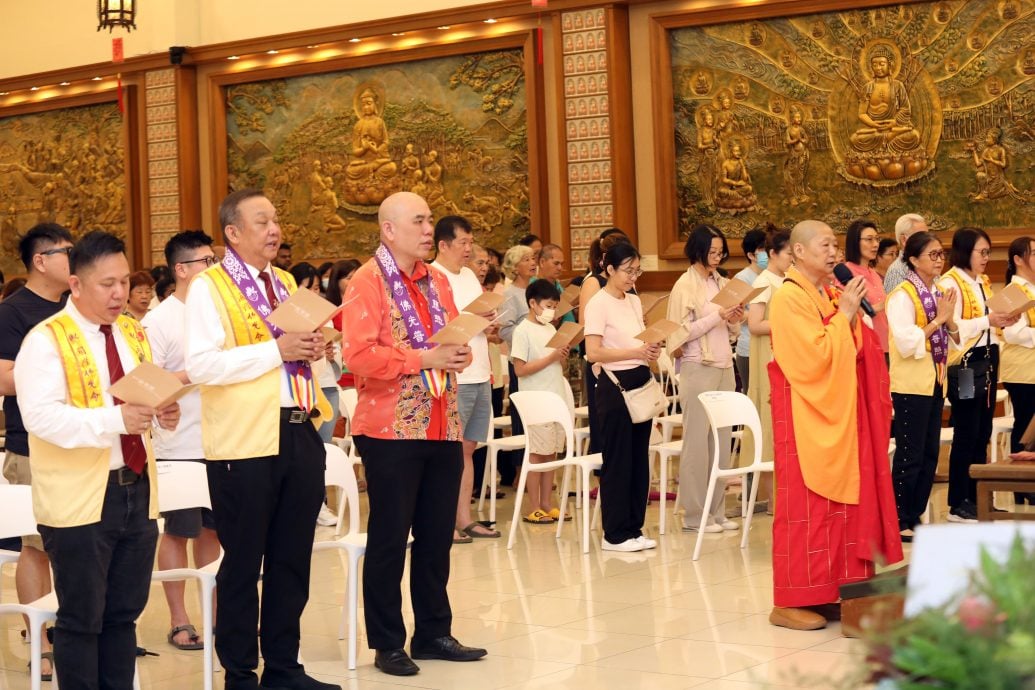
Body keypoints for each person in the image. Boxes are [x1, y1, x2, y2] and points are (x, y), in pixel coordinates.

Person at [185, 189, 337, 690]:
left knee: (293, 557)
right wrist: (277, 349)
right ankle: (240, 673)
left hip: (299, 428)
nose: (274, 229)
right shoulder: (209, 287)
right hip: (244, 443)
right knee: (244, 561)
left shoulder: (286, 282)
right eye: (262, 221)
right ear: (232, 233)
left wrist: (311, 346)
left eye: (276, 219)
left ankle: (284, 667)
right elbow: (202, 366)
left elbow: (291, 351)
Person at [16, 230, 181, 689]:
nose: (119, 294)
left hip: (136, 487)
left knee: (123, 616)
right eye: (107, 284)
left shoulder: (131, 331)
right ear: (76, 286)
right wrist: (116, 420)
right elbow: (41, 418)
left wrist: (162, 410)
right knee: (82, 618)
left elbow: (143, 397)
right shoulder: (46, 340)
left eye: (124, 282)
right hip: (80, 500)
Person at [340, 192, 486, 677]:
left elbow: (446, 339)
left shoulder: (437, 281)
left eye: (429, 220)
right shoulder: (366, 281)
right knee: (389, 536)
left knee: (434, 536)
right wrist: (421, 360)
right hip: (389, 429)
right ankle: (386, 641)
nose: (429, 229)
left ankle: (433, 632)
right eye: (419, 221)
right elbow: (358, 356)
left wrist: (457, 354)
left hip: (442, 421)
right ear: (389, 230)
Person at [767, 220, 902, 631]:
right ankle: (788, 601)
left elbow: (853, 346)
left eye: (833, 245)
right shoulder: (788, 298)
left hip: (839, 413)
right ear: (799, 252)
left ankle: (829, 593)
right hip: (805, 413)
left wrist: (849, 316)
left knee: (840, 512)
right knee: (804, 512)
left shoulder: (827, 292)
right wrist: (843, 316)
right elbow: (812, 359)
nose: (833, 252)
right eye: (824, 245)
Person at [141, 230, 222, 651]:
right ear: (182, 269)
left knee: (214, 533)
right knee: (178, 533)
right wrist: (201, 371)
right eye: (207, 261)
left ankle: (216, 615)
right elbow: (147, 381)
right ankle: (179, 619)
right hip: (178, 445)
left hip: (224, 440)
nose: (215, 267)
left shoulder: (220, 311)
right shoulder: (159, 320)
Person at [0, 222, 73, 680]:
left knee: (75, 545)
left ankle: (71, 629)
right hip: (32, 445)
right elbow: (4, 376)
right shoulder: (13, 312)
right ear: (41, 260)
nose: (75, 259)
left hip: (79, 442)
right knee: (36, 545)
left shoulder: (76, 307)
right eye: (68, 252)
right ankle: (39, 637)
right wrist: (56, 375)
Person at [937, 227, 1019, 522]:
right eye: (981, 252)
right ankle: (959, 501)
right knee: (967, 432)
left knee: (983, 431)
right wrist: (988, 319)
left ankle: (979, 497)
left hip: (988, 358)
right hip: (966, 365)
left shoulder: (981, 281)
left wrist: (1004, 319)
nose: (986, 258)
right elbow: (952, 328)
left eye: (988, 252)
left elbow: (989, 320)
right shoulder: (951, 283)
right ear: (964, 251)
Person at [667, 224, 743, 533]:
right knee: (698, 442)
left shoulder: (721, 281)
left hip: (724, 365)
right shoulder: (684, 285)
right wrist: (718, 316)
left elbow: (730, 329)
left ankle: (717, 510)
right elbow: (679, 332)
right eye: (712, 251)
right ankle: (695, 515)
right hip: (698, 366)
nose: (717, 256)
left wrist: (734, 319)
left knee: (722, 442)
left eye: (720, 251)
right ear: (697, 250)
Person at [584, 242, 659, 552]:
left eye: (636, 270)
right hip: (615, 388)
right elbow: (593, 352)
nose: (632, 277)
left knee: (639, 459)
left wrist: (651, 348)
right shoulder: (598, 303)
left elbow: (639, 338)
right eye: (628, 270)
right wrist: (635, 351)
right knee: (618, 461)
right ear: (609, 269)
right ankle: (614, 533)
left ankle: (634, 527)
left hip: (640, 382)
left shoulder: (633, 301)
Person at [430, 216, 501, 542]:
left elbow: (475, 320)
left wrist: (489, 327)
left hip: (479, 373)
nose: (469, 250)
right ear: (443, 245)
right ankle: (442, 521)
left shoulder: (471, 275)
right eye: (463, 243)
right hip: (452, 376)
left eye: (471, 243)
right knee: (449, 452)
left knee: (469, 449)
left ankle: (464, 518)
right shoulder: (431, 277)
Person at [886, 231, 959, 542]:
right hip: (910, 384)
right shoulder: (903, 294)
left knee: (930, 453)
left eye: (940, 253)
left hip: (935, 379)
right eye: (932, 254)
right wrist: (938, 320)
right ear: (913, 260)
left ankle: (915, 513)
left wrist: (949, 321)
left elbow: (953, 339)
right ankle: (899, 517)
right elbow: (905, 342)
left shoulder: (940, 291)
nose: (939, 259)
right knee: (910, 452)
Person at [511, 279, 573, 523]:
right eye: (548, 305)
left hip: (554, 398)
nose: (552, 311)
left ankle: (548, 503)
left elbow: (559, 365)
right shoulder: (522, 330)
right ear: (533, 303)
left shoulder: (550, 329)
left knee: (552, 453)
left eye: (555, 306)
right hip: (535, 402)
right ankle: (533, 505)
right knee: (537, 454)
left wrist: (562, 355)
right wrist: (552, 357)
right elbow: (520, 369)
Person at [743, 229, 794, 514]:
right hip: (769, 360)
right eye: (788, 254)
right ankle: (774, 499)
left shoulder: (788, 280)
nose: (791, 259)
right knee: (772, 423)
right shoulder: (764, 282)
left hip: (788, 357)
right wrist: (789, 323)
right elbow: (754, 324)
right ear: (772, 254)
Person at [578, 229, 631, 455]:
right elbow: (586, 323)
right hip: (604, 365)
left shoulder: (627, 286)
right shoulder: (594, 282)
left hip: (628, 364)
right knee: (606, 431)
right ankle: (604, 485)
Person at [499, 244, 538, 482]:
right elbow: (505, 330)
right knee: (522, 417)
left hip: (542, 361)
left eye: (533, 258)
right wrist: (529, 334)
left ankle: (540, 465)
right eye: (526, 259)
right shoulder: (509, 294)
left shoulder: (536, 290)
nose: (533, 262)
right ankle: (519, 471)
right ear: (515, 267)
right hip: (522, 363)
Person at [1001, 236, 1035, 503]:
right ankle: (1021, 486)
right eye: (1034, 252)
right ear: (1018, 259)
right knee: (1025, 427)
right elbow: (1012, 334)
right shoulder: (1011, 291)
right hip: (1022, 372)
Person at [844, 219, 890, 355]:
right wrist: (881, 305)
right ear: (855, 242)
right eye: (869, 240)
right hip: (866, 347)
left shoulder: (873, 272)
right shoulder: (847, 274)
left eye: (877, 239)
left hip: (885, 343)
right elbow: (848, 314)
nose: (875, 244)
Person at [733, 227, 767, 391]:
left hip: (768, 345)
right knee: (752, 394)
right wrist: (759, 317)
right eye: (762, 250)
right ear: (751, 255)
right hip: (748, 348)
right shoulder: (742, 278)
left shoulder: (773, 275)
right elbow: (734, 313)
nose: (767, 254)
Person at [883, 213, 927, 293]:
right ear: (903, 240)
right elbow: (896, 304)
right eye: (921, 236)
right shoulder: (896, 271)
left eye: (927, 235)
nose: (927, 240)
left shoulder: (928, 262)